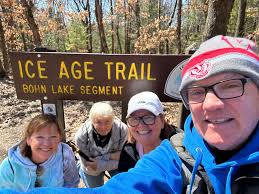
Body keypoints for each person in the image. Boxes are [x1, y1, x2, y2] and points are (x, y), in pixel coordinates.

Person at [1, 35, 259, 194]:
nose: (212, 104)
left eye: (232, 85)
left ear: (162, 119)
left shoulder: (140, 138)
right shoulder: (177, 158)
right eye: (197, 91)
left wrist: (102, 163)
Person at [0, 114, 79, 191]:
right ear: (28, 140)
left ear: (59, 139)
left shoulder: (65, 155)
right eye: (40, 137)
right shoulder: (9, 166)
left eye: (53, 137)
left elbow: (71, 185)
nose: (46, 143)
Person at [118, 91, 176, 172]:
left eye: (148, 117)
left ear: (162, 120)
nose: (141, 125)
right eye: (134, 119)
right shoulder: (128, 152)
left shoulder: (179, 150)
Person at [75, 102, 128, 188]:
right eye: (98, 122)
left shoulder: (123, 130)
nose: (103, 127)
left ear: (113, 119)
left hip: (114, 165)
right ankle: (79, 167)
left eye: (107, 121)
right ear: (92, 121)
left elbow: (124, 159)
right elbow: (89, 164)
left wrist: (101, 161)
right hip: (92, 169)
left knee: (123, 185)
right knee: (96, 190)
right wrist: (113, 156)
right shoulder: (81, 136)